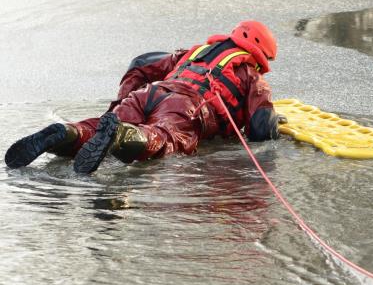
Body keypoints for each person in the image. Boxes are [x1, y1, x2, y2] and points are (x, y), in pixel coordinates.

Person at [4, 20, 281, 174]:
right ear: (261, 56)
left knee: (93, 129)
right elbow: (260, 128)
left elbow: (141, 62)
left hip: (149, 93)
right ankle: (122, 136)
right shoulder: (249, 75)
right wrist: (273, 122)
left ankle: (66, 132)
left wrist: (121, 101)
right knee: (164, 137)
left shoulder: (192, 54)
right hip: (187, 107)